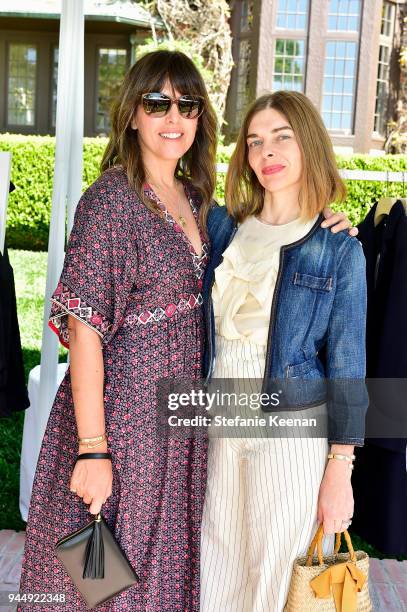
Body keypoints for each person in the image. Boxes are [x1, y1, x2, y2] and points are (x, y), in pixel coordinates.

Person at [19, 51, 357, 611]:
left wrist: (329, 224)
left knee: (166, 584)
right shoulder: (109, 202)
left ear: (200, 118)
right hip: (119, 432)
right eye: (157, 103)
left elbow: (271, 239)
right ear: (132, 113)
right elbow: (83, 334)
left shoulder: (203, 206)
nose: (173, 117)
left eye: (187, 104)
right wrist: (92, 450)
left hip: (185, 433)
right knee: (100, 590)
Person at [200, 91, 368, 612]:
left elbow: (346, 365)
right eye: (254, 141)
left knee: (278, 576)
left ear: (308, 145)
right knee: (218, 567)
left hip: (291, 432)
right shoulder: (222, 226)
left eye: (281, 137)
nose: (266, 152)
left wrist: (340, 470)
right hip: (220, 423)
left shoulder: (337, 246)